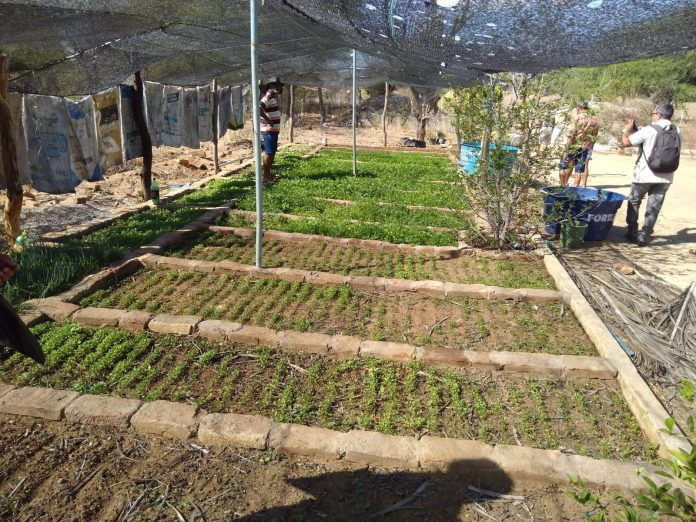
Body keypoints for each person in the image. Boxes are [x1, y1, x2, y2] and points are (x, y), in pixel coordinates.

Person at [621, 103, 681, 246]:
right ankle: (645, 235)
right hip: (666, 175)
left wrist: (627, 131)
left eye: (653, 114)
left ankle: (632, 232)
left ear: (659, 115)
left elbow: (625, 143)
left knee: (634, 201)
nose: (652, 116)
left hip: (644, 174)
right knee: (654, 207)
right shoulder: (677, 130)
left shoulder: (649, 130)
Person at [558, 102, 591, 186]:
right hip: (584, 147)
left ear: (578, 108)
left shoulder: (577, 118)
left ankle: (563, 187)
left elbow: (571, 134)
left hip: (573, 145)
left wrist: (566, 149)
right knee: (578, 171)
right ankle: (575, 191)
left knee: (564, 166)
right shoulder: (592, 119)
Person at [259, 78, 283, 183]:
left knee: (272, 151)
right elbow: (259, 108)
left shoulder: (272, 98)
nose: (278, 87)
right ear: (269, 87)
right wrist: (269, 120)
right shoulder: (267, 97)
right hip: (268, 130)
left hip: (273, 130)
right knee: (269, 152)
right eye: (275, 86)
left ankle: (268, 174)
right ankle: (265, 176)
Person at [573, 110, 599, 188]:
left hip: (580, 145)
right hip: (589, 146)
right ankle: (584, 184)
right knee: (586, 165)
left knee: (577, 167)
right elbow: (595, 136)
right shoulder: (595, 122)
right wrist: (592, 146)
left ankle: (576, 185)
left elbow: (577, 133)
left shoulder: (581, 119)